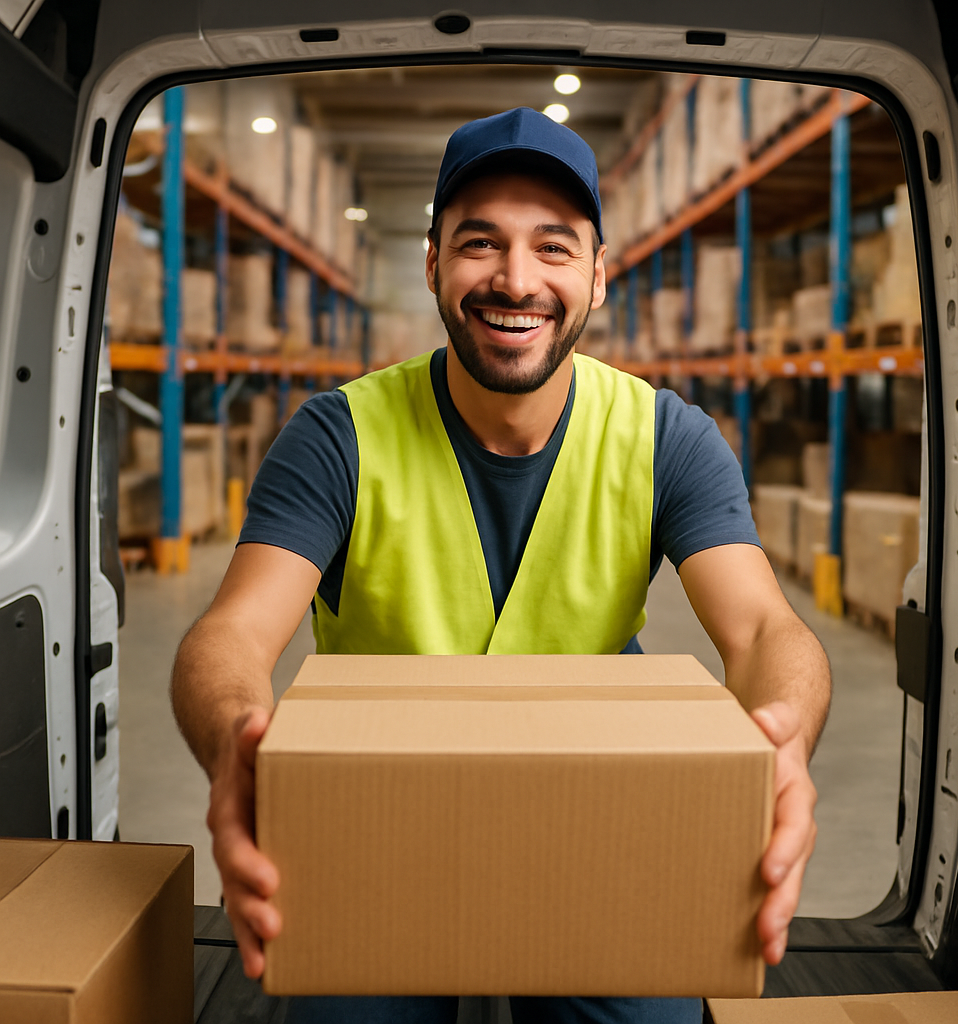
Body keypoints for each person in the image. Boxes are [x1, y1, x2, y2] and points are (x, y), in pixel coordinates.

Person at [171, 106, 831, 1024]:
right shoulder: (339, 435)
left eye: (554, 248)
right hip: (380, 818)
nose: (516, 280)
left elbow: (766, 628)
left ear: (600, 277)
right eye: (481, 243)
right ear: (434, 262)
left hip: (597, 810)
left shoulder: (663, 436)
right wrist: (236, 743)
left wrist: (782, 740)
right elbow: (232, 632)